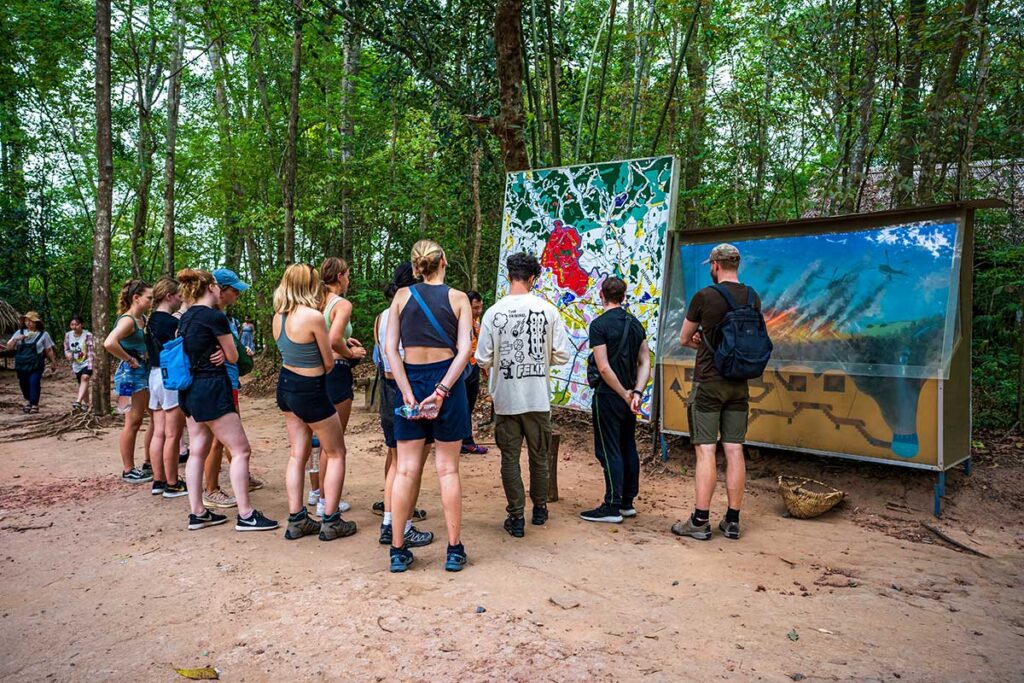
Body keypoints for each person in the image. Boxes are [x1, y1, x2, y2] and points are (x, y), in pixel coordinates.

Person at [385, 239, 473, 573]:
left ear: (416, 265)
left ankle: (397, 550)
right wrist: (441, 390)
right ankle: (453, 549)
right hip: (446, 382)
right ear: (443, 261)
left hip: (410, 380)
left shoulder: (401, 297)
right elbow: (464, 349)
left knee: (406, 469)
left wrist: (406, 391)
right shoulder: (459, 298)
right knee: (447, 468)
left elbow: (391, 349)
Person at [475, 253, 571, 537]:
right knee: (539, 457)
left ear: (509, 275)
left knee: (509, 459)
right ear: (533, 278)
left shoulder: (494, 312)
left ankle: (516, 517)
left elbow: (482, 357)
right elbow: (562, 354)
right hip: (537, 398)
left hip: (506, 399)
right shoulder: (548, 311)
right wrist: (541, 360)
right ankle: (539, 509)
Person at [176, 268, 277, 532]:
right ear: (211, 287)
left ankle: (197, 512)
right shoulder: (214, 317)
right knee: (241, 449)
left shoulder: (185, 318)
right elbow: (233, 357)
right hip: (213, 389)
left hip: (189, 390)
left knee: (197, 449)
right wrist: (225, 351)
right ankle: (246, 514)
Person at [672, 244, 759, 541]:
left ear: (716, 265)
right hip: (739, 383)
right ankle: (732, 521)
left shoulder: (705, 296)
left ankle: (699, 520)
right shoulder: (752, 296)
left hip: (709, 382)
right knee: (734, 449)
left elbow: (684, 338)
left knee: (706, 450)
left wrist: (704, 342)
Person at [273, 263, 356, 541]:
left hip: (285, 387)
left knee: (298, 453)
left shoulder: (278, 317)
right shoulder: (313, 317)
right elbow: (329, 362)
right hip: (311, 389)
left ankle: (297, 518)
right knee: (336, 452)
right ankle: (331, 520)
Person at [579, 276, 651, 524]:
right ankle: (627, 502)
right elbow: (645, 361)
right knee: (627, 445)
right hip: (631, 395)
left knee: (608, 448)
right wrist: (637, 393)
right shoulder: (636, 324)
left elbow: (604, 367)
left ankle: (611, 504)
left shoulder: (599, 325)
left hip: (610, 395)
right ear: (623, 296)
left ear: (602, 295)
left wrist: (623, 393)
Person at [372, 262, 431, 548]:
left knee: (396, 459)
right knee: (412, 463)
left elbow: (381, 355)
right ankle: (403, 525)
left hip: (387, 386)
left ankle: (389, 521)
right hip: (410, 386)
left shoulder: (382, 316)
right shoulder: (412, 311)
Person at [202, 269, 262, 508]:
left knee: (230, 436)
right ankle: (212, 489)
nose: (237, 294)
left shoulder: (221, 316)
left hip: (229, 379)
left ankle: (242, 478)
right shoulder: (211, 316)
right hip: (222, 381)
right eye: (234, 290)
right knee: (219, 439)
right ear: (221, 290)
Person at [312, 256, 366, 517]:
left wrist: (346, 338)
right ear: (341, 275)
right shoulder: (342, 304)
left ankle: (320, 495)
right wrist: (351, 353)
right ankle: (326, 500)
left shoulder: (318, 302)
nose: (349, 278)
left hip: (317, 372)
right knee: (334, 444)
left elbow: (326, 335)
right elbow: (333, 340)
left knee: (323, 442)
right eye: (348, 274)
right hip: (337, 372)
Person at [104, 280, 155, 484]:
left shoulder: (142, 318)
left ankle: (149, 461)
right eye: (149, 298)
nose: (151, 301)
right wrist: (128, 358)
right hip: (129, 376)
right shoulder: (128, 320)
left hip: (142, 374)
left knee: (155, 416)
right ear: (136, 298)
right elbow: (109, 343)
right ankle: (128, 469)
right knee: (132, 421)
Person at [145, 277, 187, 498]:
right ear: (170, 296)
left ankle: (158, 479)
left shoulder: (150, 321)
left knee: (159, 432)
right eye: (179, 295)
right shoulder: (172, 324)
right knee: (173, 433)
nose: (181, 299)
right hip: (169, 377)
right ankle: (172, 482)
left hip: (154, 375)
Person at [5, 311, 58, 414]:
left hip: (36, 363)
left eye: (31, 321)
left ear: (36, 322)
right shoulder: (19, 333)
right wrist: (16, 339)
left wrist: (53, 362)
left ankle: (34, 404)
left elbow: (48, 349)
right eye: (26, 320)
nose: (28, 323)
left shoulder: (43, 334)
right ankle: (28, 400)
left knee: (34, 382)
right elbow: (8, 347)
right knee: (23, 383)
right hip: (21, 363)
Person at [460, 291, 488, 455]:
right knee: (462, 405)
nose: (478, 311)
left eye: (480, 307)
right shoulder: (460, 321)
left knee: (469, 404)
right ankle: (465, 441)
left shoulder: (476, 321)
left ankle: (464, 438)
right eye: (475, 307)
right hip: (462, 367)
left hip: (474, 366)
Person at [64, 316, 94, 410]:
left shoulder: (88, 335)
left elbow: (91, 350)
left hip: (87, 361)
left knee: (85, 378)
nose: (74, 327)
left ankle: (78, 401)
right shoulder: (68, 335)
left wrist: (90, 364)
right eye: (72, 325)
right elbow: (66, 348)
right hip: (76, 363)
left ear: (82, 325)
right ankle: (87, 404)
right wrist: (67, 354)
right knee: (82, 383)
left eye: (77, 324)